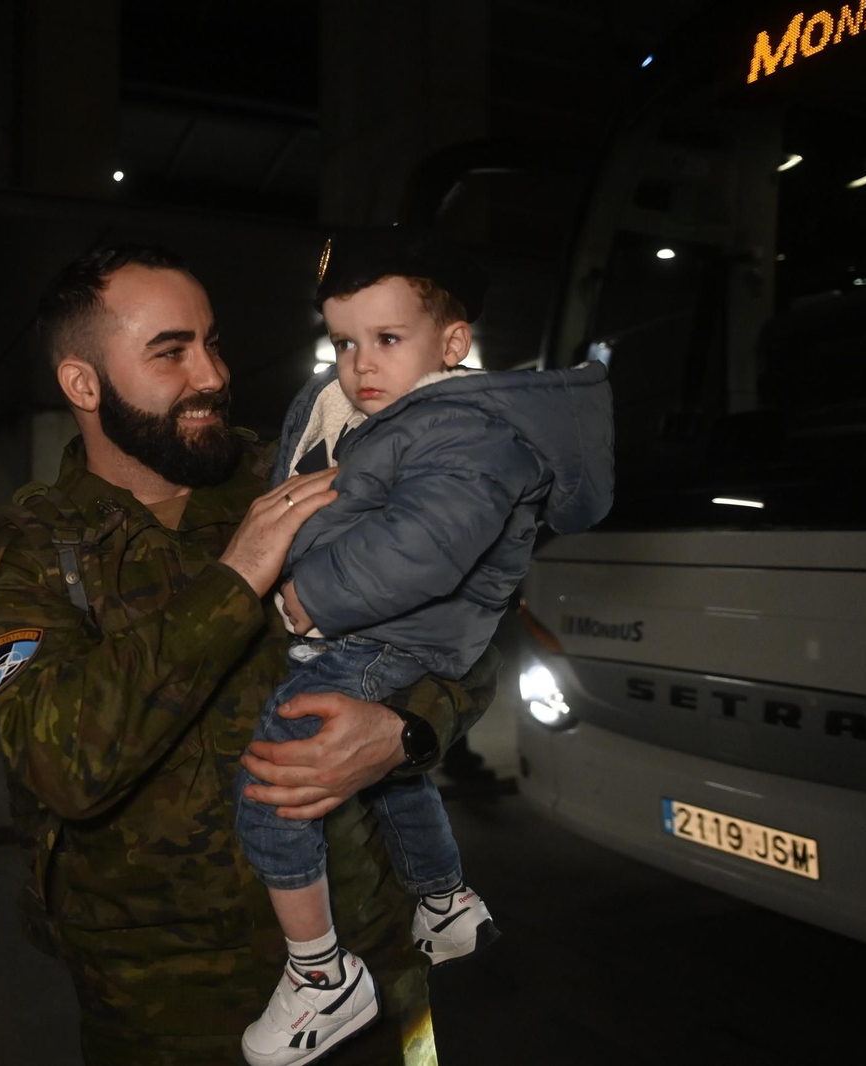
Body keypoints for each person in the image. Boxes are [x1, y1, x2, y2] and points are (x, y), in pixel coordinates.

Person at [0, 245, 501, 1066]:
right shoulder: (32, 558)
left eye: (212, 343)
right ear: (83, 384)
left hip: (373, 954)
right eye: (171, 352)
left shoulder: (312, 472)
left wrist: (405, 731)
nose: (211, 374)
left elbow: (469, 630)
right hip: (166, 1005)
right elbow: (62, 761)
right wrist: (239, 575)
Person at [234, 226, 614, 1064]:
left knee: (273, 790)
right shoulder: (379, 422)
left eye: (387, 339)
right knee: (392, 786)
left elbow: (424, 546)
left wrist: (305, 599)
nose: (360, 364)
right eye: (343, 343)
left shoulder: (465, 432)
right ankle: (446, 902)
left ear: (453, 345)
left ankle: (320, 979)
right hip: (390, 639)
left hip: (381, 638)